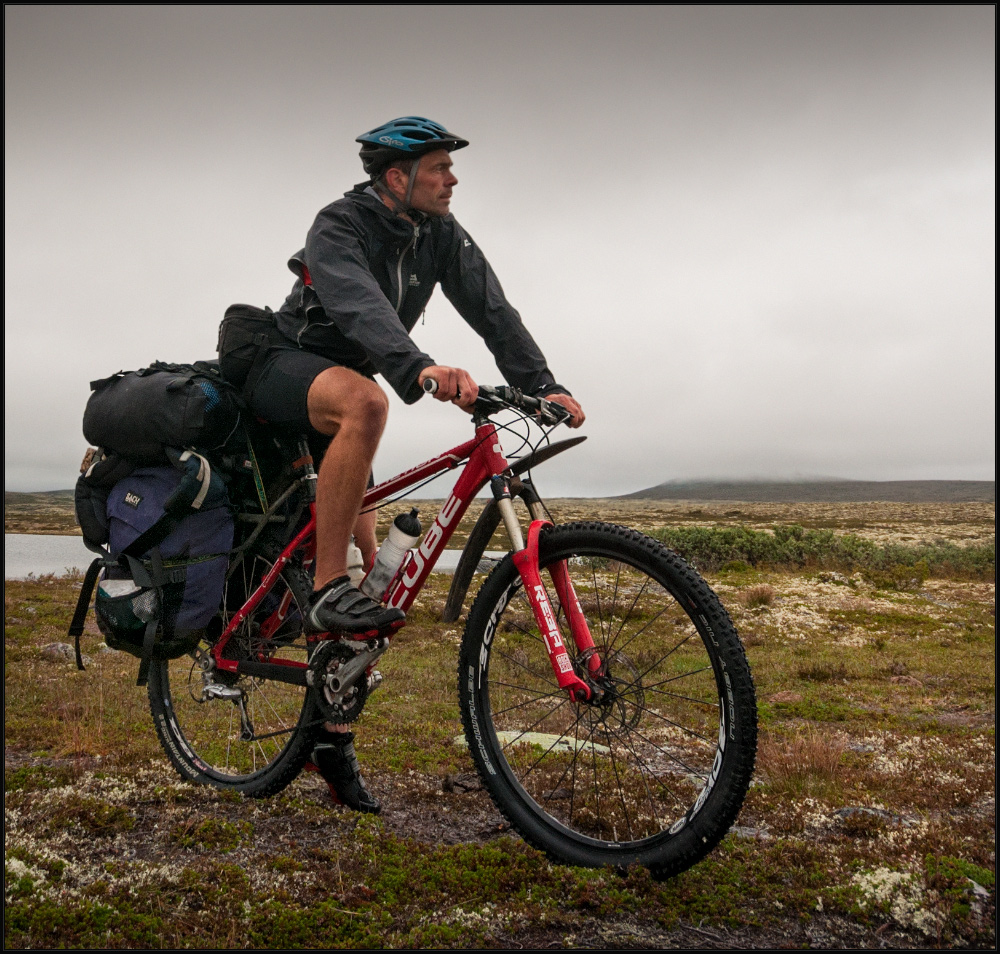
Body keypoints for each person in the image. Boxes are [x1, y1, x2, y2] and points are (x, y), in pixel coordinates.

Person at [238, 116, 585, 813]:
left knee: (374, 599)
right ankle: (325, 582)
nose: (452, 180)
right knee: (366, 405)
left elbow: (491, 308)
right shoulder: (339, 225)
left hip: (349, 383)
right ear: (397, 178)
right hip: (279, 364)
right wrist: (418, 366)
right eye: (439, 169)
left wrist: (541, 381)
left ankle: (331, 745)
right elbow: (357, 303)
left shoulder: (440, 236)